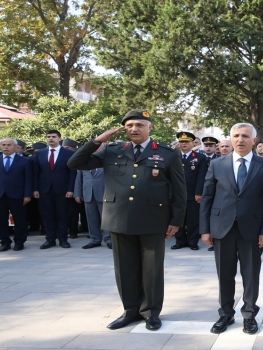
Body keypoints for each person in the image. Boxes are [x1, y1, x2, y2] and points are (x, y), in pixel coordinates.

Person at [67, 110, 186, 331]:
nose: (134, 129)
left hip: (153, 219)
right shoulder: (111, 151)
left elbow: (180, 190)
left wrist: (176, 219)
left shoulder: (166, 153)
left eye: (140, 124)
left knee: (152, 270)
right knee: (125, 269)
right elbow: (75, 163)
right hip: (119, 218)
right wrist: (96, 142)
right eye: (129, 125)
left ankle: (150, 312)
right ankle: (130, 310)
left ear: (150, 127)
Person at [201, 123, 263, 335]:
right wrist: (205, 229)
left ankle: (249, 314)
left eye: (245, 136)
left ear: (255, 141)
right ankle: (225, 314)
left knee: (251, 274)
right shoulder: (218, 164)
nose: (240, 139)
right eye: (236, 136)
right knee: (224, 274)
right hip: (221, 228)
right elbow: (207, 197)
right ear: (230, 138)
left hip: (252, 229)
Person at [32, 130, 76, 249]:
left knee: (63, 215)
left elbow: (72, 173)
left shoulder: (67, 153)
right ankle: (50, 239)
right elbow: (36, 173)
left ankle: (63, 239)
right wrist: (35, 189)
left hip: (62, 189)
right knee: (48, 216)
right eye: (48, 137)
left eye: (53, 137)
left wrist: (71, 189)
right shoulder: (40, 153)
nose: (51, 139)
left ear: (59, 138)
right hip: (44, 189)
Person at [0, 138, 33, 251]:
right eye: (3, 145)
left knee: (20, 219)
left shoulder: (24, 161)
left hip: (17, 194)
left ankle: (19, 241)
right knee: (0, 220)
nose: (6, 147)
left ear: (16, 147)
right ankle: (5, 242)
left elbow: (28, 179)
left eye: (8, 145)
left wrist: (27, 195)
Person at [171, 132, 208, 251]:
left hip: (192, 193)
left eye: (187, 142)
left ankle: (192, 242)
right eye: (181, 142)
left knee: (193, 219)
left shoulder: (200, 158)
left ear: (193, 143)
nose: (184, 144)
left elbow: (202, 176)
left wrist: (199, 193)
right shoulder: (173, 156)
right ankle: (180, 241)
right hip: (176, 193)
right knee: (178, 217)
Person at [74, 143, 111, 249]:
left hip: (104, 194)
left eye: (99, 146)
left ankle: (108, 239)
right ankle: (95, 239)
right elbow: (79, 179)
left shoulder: (106, 160)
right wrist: (77, 194)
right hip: (88, 194)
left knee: (106, 219)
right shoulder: (85, 161)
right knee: (91, 218)